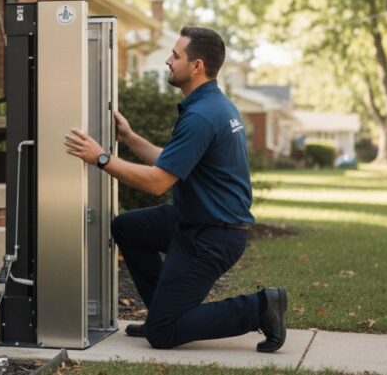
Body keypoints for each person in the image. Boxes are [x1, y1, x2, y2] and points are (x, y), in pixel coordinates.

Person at [64, 26, 288, 352]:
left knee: (163, 334)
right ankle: (163, 311)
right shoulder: (212, 105)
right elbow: (172, 163)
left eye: (175, 55)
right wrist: (129, 138)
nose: (168, 61)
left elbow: (157, 182)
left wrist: (100, 158)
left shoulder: (202, 115)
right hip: (195, 220)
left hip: (212, 236)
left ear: (196, 66)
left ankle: (260, 307)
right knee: (128, 227)